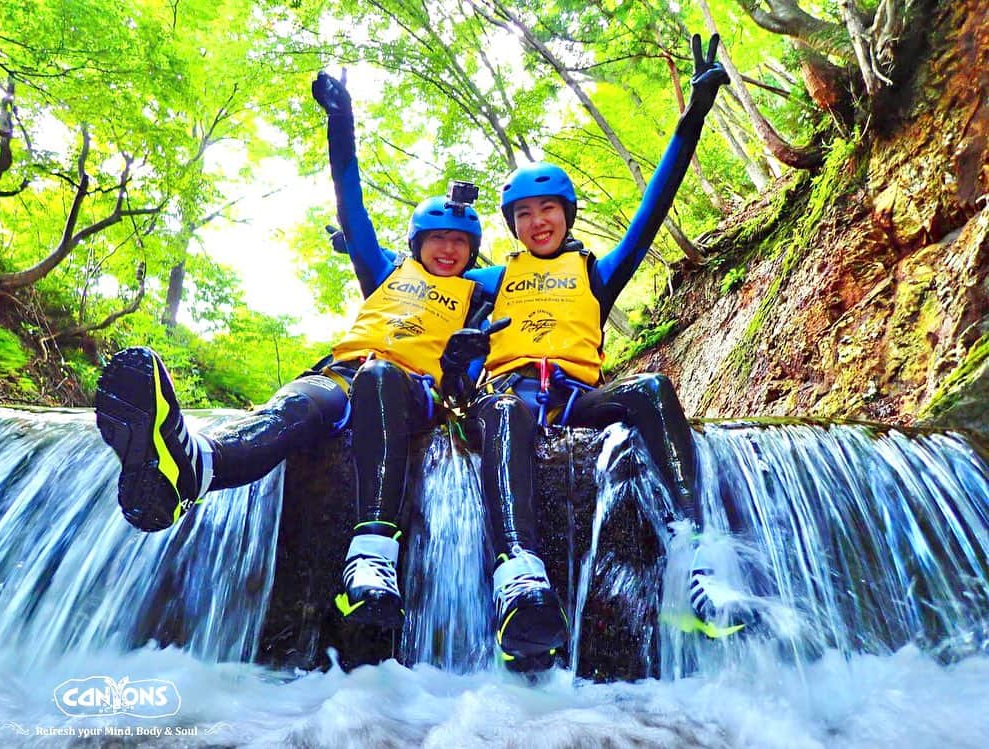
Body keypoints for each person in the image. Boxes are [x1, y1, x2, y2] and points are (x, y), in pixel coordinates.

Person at [94, 72, 495, 630]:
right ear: (418, 244)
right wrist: (341, 122)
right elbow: (350, 198)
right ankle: (192, 469)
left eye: (460, 243)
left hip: (411, 392)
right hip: (343, 374)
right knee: (295, 407)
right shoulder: (382, 271)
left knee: (380, 379)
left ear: (473, 250)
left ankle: (373, 559)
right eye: (438, 240)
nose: (449, 250)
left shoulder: (481, 293)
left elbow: (518, 317)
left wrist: (458, 363)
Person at [442, 34, 745, 667]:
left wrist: (690, 124)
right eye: (523, 214)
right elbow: (417, 281)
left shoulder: (596, 273)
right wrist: (453, 362)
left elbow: (653, 208)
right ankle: (519, 577)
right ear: (512, 226)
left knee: (654, 390)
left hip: (578, 398)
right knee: (502, 411)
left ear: (566, 215)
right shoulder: (491, 280)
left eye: (547, 208)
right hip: (511, 397)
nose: (537, 222)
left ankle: (695, 552)